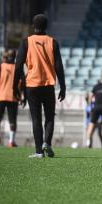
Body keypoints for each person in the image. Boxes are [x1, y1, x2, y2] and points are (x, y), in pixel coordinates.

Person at [13, 14, 66, 158]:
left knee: (36, 118)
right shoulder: (52, 42)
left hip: (32, 85)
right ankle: (47, 143)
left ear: (33, 25)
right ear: (46, 26)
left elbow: (18, 66)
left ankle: (38, 151)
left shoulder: (26, 42)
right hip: (48, 85)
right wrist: (63, 86)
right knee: (50, 116)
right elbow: (59, 66)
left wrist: (15, 86)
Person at [0, 50, 23, 147]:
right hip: (13, 97)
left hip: (0, 96)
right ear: (15, 56)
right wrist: (21, 96)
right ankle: (11, 141)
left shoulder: (0, 66)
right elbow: (23, 82)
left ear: (7, 57)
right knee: (12, 120)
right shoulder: (18, 67)